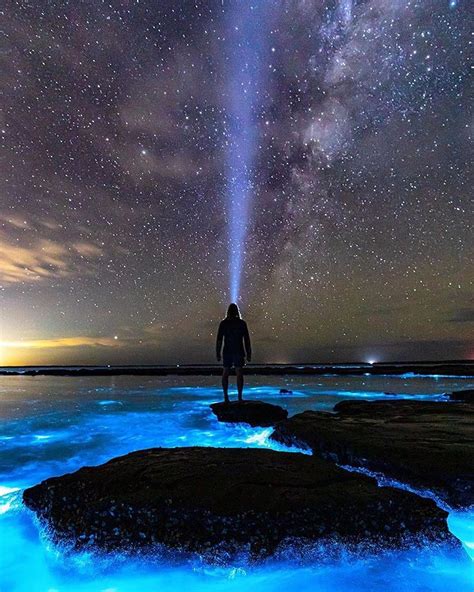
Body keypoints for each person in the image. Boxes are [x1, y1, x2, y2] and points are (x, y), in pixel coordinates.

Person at [215, 303, 252, 403]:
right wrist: (249, 353)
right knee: (239, 373)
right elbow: (247, 340)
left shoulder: (224, 323)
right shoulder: (241, 323)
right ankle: (239, 397)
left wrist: (218, 353)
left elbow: (219, 340)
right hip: (238, 350)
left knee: (226, 372)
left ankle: (226, 397)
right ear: (237, 311)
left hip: (227, 350)